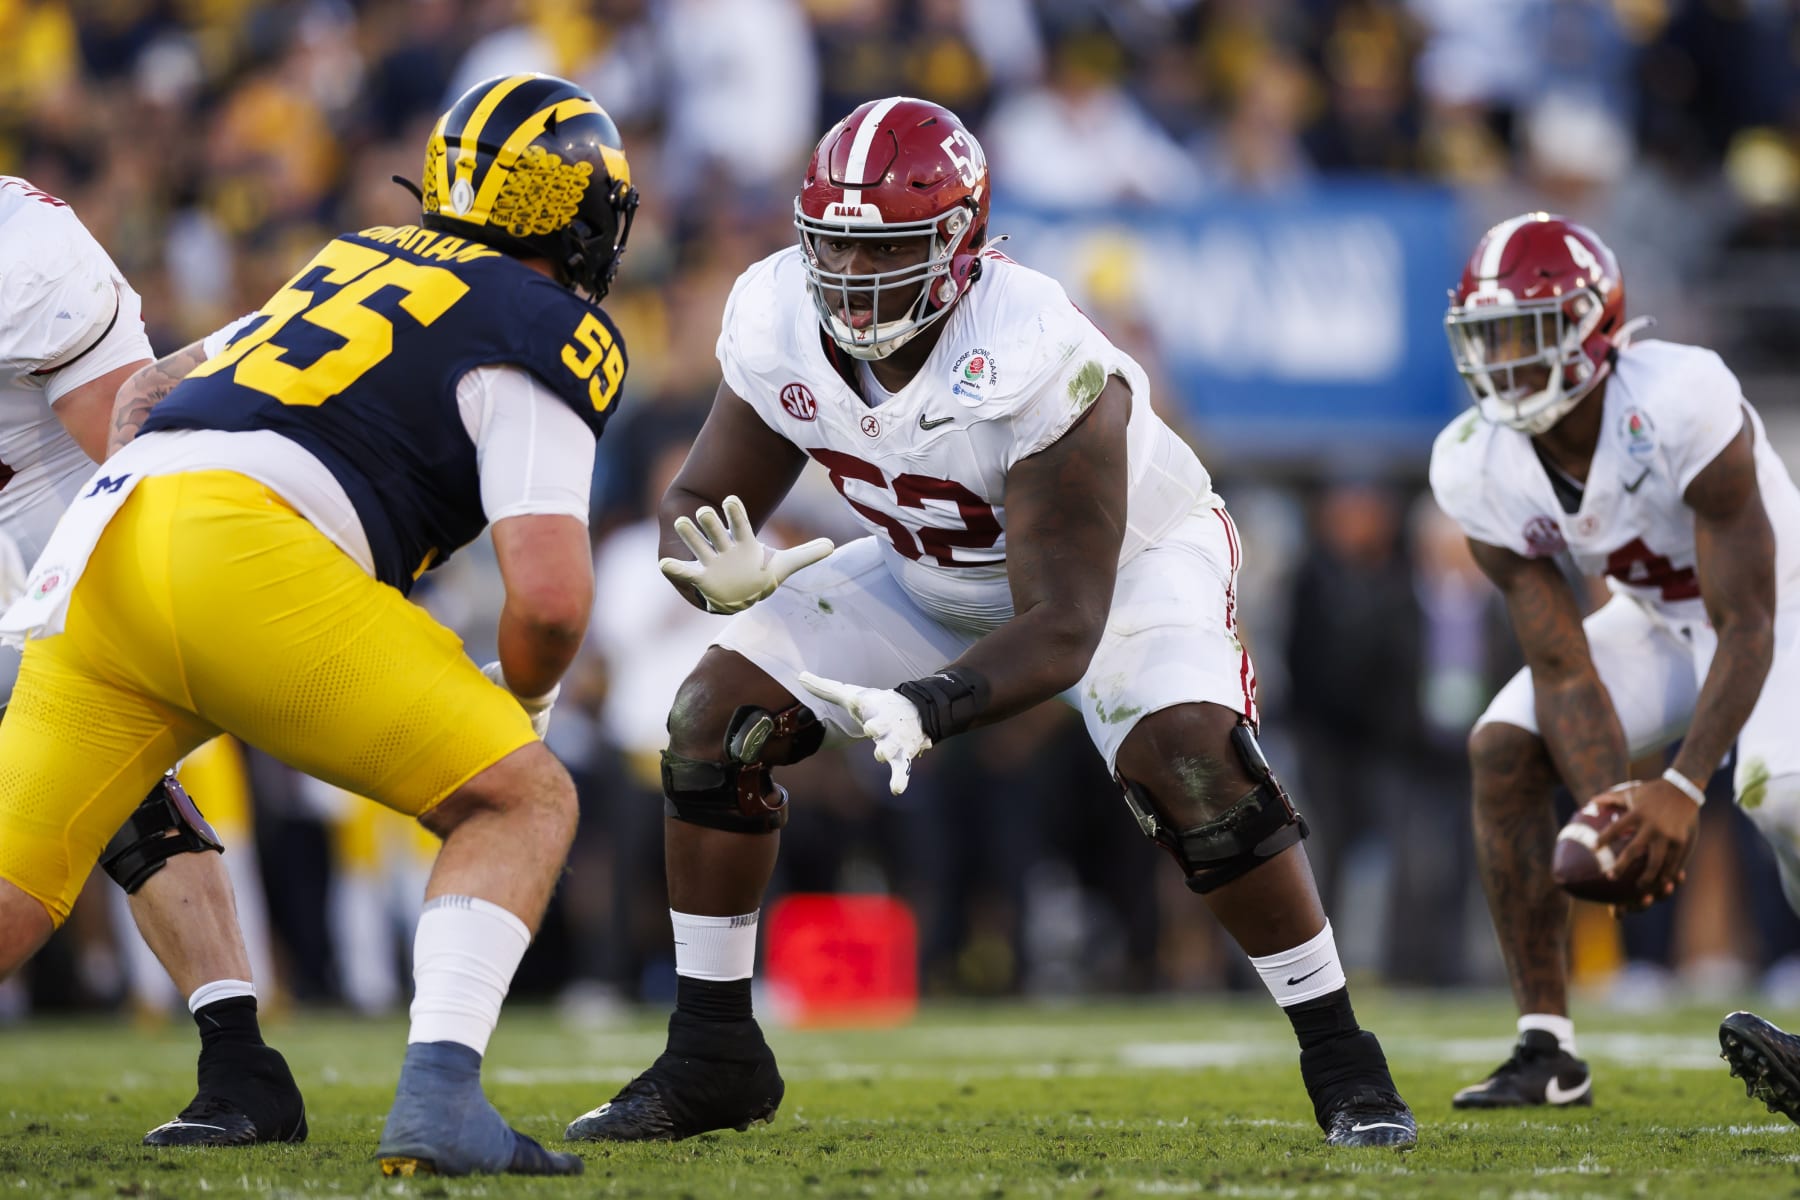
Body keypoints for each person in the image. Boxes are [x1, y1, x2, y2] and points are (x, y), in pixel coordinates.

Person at [563, 96, 1416, 1149]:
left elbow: (1063, 624)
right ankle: (710, 1055)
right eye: (834, 245)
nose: (853, 276)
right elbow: (696, 502)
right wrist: (712, 573)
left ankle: (1341, 1056)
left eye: (889, 249)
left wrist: (931, 704)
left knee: (1189, 757)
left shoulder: (1039, 349)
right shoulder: (776, 312)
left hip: (1127, 571)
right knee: (712, 719)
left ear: (960, 242)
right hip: (929, 569)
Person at [0, 71, 639, 1177]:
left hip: (104, 546)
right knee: (525, 798)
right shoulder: (548, 325)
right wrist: (523, 710)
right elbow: (549, 600)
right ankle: (442, 1101)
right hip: (244, 554)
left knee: (16, 891)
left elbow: (152, 390)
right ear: (586, 219)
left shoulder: (359, 254)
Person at [1429, 213, 1800, 1109]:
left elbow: (1748, 619)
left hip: (1781, 608)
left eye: (1525, 332)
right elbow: (1562, 666)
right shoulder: (1475, 463)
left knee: (1779, 794)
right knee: (1502, 747)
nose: (1504, 360)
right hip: (1660, 619)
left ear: (1590, 326)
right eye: (1489, 337)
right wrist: (1614, 814)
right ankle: (1546, 1049)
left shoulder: (1681, 397)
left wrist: (1679, 787)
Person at [0, 174, 305, 1146]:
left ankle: (241, 1057)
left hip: (67, 545)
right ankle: (243, 1061)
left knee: (101, 800)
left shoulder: (25, 252)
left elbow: (134, 453)